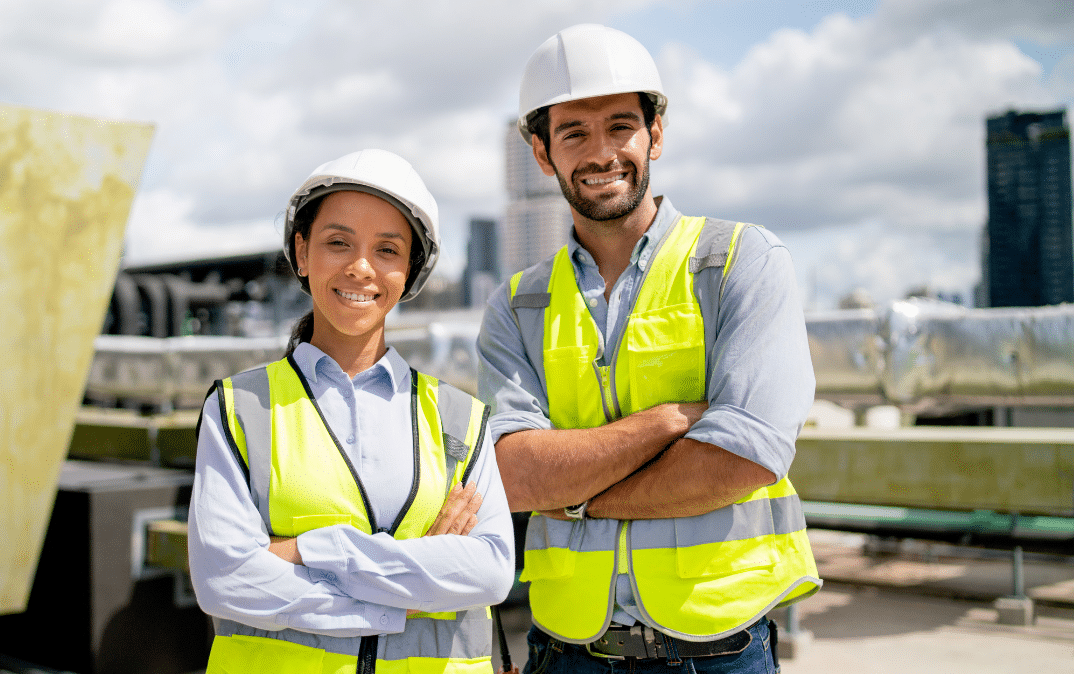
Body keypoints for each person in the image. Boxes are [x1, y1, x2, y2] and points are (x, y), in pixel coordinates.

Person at [477, 24, 821, 674]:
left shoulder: (738, 263)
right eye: (574, 132)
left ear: (655, 134)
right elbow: (517, 475)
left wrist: (576, 498)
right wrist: (663, 425)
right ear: (542, 152)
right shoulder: (517, 306)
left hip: (719, 652)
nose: (601, 151)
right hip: (567, 653)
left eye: (620, 127)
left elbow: (743, 457)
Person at [190, 148, 515, 674]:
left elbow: (492, 572)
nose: (361, 268)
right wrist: (414, 581)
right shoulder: (239, 408)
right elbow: (226, 580)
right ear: (302, 252)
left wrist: (310, 551)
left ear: (409, 271)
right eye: (338, 243)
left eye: (387, 249)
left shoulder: (461, 419)